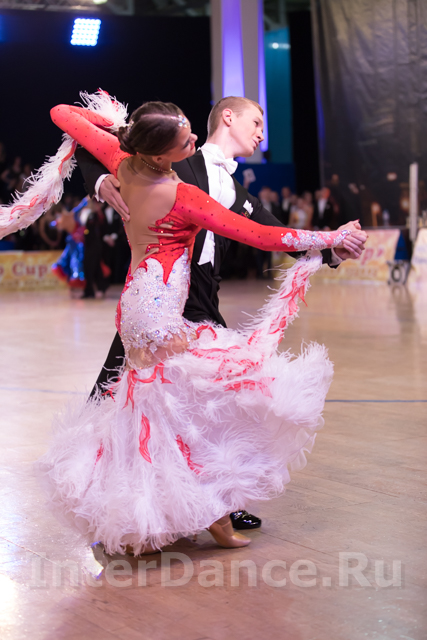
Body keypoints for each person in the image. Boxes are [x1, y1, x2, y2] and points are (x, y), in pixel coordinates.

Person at [13, 92, 366, 557]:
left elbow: (63, 114)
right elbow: (261, 237)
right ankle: (191, 510)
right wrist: (332, 232)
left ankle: (179, 510)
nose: (262, 133)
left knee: (159, 408)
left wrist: (331, 248)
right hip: (163, 311)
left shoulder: (135, 161)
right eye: (256, 122)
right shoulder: (182, 187)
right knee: (203, 397)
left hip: (146, 302)